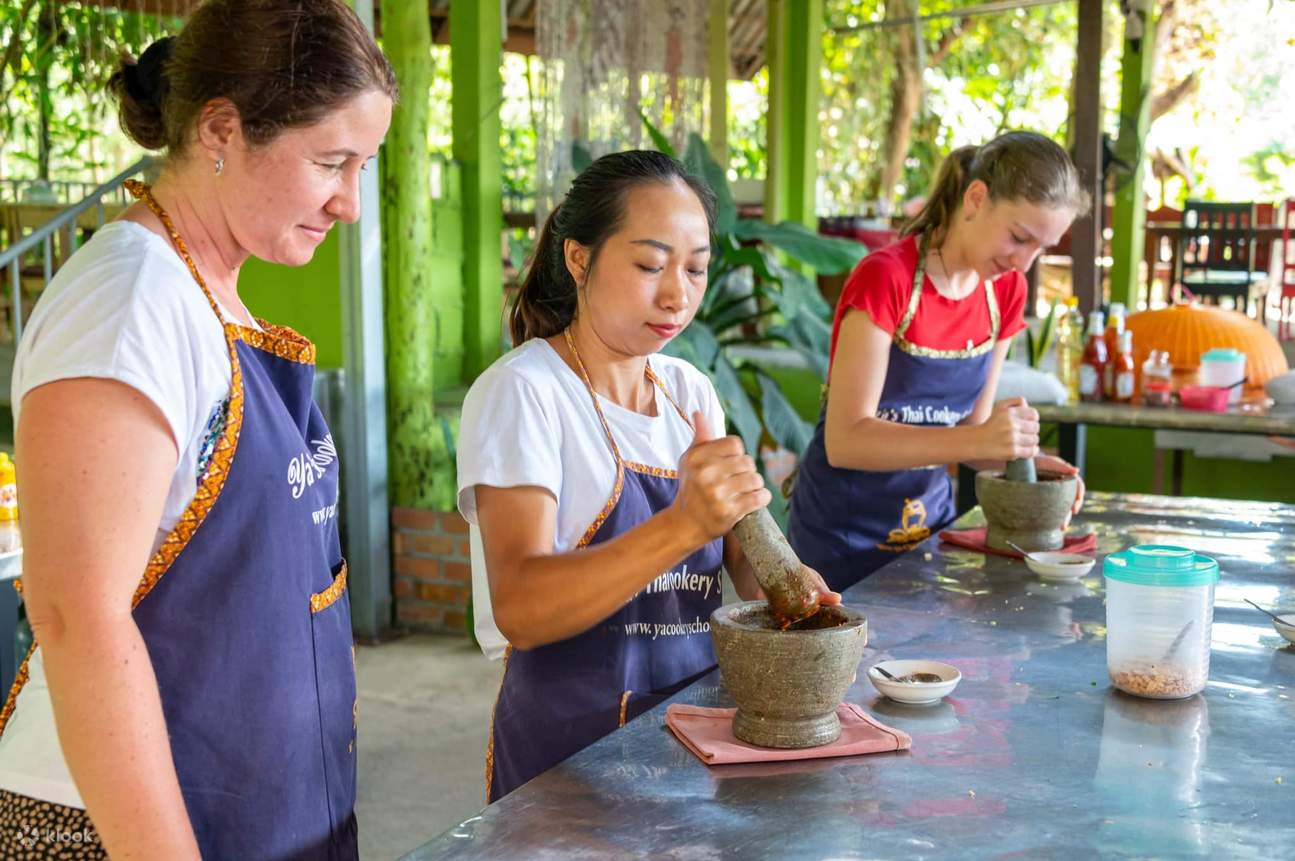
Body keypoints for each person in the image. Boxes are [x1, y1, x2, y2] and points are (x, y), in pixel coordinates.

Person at [0, 2, 395, 857]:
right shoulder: (129, 303)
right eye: (331, 162)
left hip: (270, 807)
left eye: (361, 166)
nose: (348, 203)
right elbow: (76, 618)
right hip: (121, 828)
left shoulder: (206, 291)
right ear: (222, 128)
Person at [456, 150, 839, 802]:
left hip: (692, 734)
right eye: (649, 265)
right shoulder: (525, 392)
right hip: (567, 762)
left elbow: (738, 561)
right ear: (579, 258)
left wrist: (787, 586)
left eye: (694, 269)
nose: (676, 294)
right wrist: (681, 522)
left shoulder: (689, 392)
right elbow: (518, 605)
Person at [788, 131, 1089, 593]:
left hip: (929, 533)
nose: (1023, 264)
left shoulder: (1005, 293)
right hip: (840, 538)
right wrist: (977, 438)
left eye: (1040, 249)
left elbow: (971, 433)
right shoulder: (886, 278)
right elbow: (846, 441)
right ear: (976, 198)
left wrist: (1034, 464)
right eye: (1018, 237)